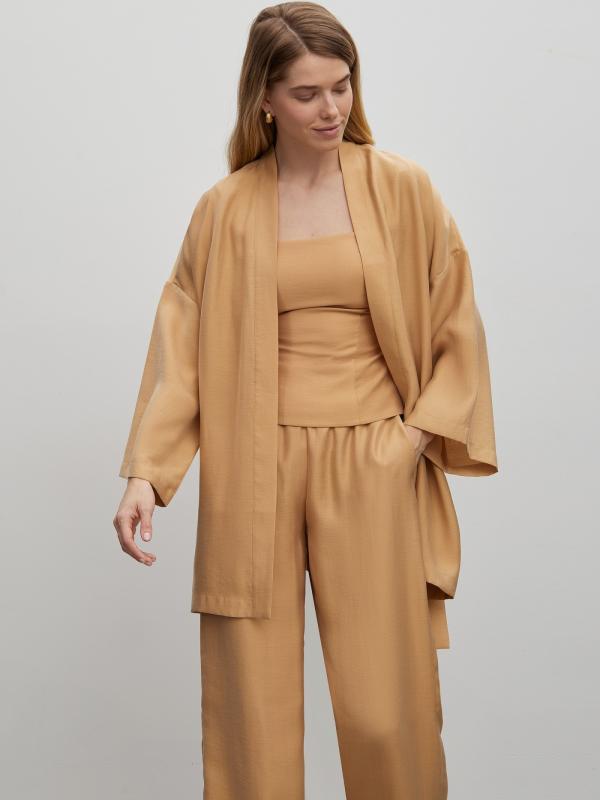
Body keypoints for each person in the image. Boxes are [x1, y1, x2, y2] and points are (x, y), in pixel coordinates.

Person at [113, 3, 498, 798]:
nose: (331, 109)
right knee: (251, 705)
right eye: (306, 94)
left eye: (342, 86)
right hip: (256, 460)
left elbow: (455, 323)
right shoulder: (225, 208)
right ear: (264, 100)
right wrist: (147, 474)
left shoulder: (402, 189)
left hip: (373, 455)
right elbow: (181, 346)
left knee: (385, 707)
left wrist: (409, 441)